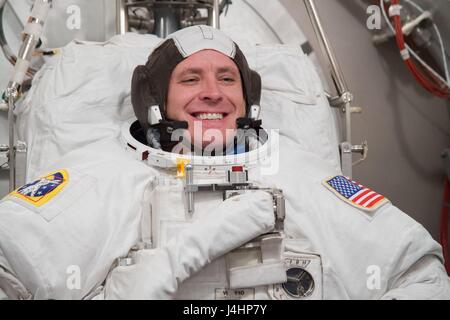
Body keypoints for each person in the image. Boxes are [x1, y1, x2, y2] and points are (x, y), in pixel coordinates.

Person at [0, 25, 449, 300]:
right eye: (191, 78)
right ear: (154, 101)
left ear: (248, 99)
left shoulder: (304, 178)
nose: (212, 92)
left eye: (227, 79)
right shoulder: (99, 178)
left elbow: (419, 277)